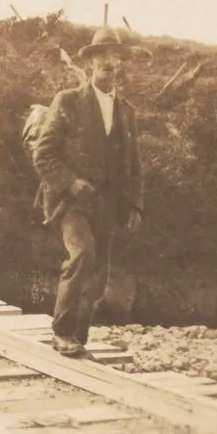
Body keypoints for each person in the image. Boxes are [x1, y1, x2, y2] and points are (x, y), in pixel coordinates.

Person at [33, 27, 145, 357]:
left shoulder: (126, 110)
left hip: (110, 204)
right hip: (72, 201)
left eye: (116, 60)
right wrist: (71, 182)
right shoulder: (68, 101)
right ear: (91, 63)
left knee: (99, 275)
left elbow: (135, 165)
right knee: (82, 254)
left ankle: (79, 336)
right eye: (104, 60)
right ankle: (62, 331)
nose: (111, 66)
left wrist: (136, 205)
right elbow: (43, 153)